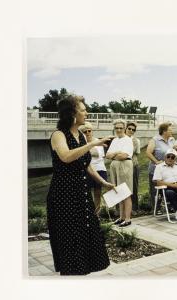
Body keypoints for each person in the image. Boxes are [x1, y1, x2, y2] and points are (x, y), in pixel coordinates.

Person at [46, 94, 114, 275]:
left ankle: (83, 270)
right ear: (72, 114)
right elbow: (67, 156)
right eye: (83, 110)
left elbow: (86, 164)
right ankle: (72, 275)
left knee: (87, 232)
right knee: (69, 236)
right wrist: (94, 144)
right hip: (63, 196)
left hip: (81, 195)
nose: (87, 113)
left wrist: (103, 182)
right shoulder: (58, 135)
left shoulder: (81, 135)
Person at [106, 119, 134, 227]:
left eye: (121, 128)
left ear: (124, 128)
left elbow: (124, 156)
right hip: (115, 166)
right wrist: (117, 153)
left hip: (124, 166)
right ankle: (121, 217)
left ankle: (127, 219)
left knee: (125, 192)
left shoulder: (127, 140)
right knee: (118, 192)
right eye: (116, 128)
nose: (118, 130)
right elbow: (107, 155)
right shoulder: (114, 140)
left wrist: (114, 154)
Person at [79, 121, 107, 216]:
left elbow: (97, 154)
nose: (87, 133)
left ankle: (97, 214)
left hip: (99, 169)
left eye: (89, 131)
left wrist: (87, 148)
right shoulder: (81, 143)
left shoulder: (97, 141)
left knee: (98, 192)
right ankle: (88, 213)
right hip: (87, 170)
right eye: (85, 131)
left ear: (92, 131)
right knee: (87, 193)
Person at [146, 123, 176, 212]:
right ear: (164, 131)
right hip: (156, 170)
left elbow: (174, 152)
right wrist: (156, 162)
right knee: (155, 191)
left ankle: (170, 206)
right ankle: (156, 209)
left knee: (169, 188)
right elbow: (148, 152)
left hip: (168, 170)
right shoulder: (155, 140)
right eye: (170, 130)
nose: (172, 131)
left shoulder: (172, 139)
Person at [125, 122, 141, 211]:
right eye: (129, 128)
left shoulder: (136, 141)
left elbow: (137, 153)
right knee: (122, 187)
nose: (131, 131)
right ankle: (121, 209)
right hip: (122, 166)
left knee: (134, 187)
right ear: (126, 129)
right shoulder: (120, 139)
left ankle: (134, 208)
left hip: (133, 165)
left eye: (133, 130)